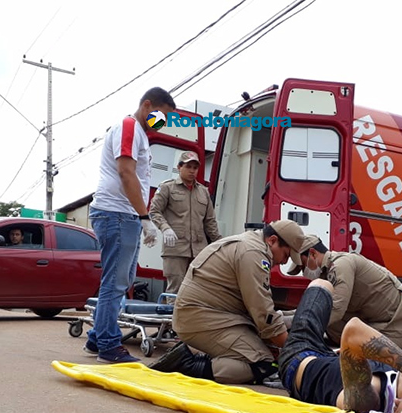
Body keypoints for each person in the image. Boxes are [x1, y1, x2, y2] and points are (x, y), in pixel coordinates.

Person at [150, 221, 306, 385]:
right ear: (272, 241)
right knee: (263, 363)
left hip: (205, 315)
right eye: (286, 255)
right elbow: (263, 314)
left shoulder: (250, 243)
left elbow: (260, 309)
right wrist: (295, 352)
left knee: (265, 350)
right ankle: (187, 365)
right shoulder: (253, 253)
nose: (283, 261)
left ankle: (198, 355)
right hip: (202, 319)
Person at [84, 87, 175, 364]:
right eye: (161, 116)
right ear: (147, 105)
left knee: (117, 279)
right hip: (117, 214)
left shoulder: (139, 134)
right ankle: (109, 346)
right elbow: (126, 172)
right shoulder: (129, 127)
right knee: (116, 281)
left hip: (121, 214)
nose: (164, 122)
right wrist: (144, 216)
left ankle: (97, 338)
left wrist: (139, 216)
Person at [276, 279, 402, 413]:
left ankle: (280, 321)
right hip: (333, 355)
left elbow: (354, 331)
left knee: (322, 285)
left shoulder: (368, 402)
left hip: (300, 358)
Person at [292, 234, 402, 350]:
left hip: (398, 327)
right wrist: (284, 317)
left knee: (350, 354)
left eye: (303, 265)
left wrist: (297, 325)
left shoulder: (341, 264)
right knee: (327, 318)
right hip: (377, 323)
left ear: (313, 253)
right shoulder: (326, 274)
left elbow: (336, 310)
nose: (304, 272)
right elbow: (314, 308)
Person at [148, 150, 221, 294]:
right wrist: (165, 227)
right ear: (179, 167)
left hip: (199, 250)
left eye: (195, 167)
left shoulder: (203, 192)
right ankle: (171, 317)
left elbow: (210, 222)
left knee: (197, 292)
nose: (192, 171)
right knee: (175, 292)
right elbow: (154, 211)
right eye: (188, 167)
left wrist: (220, 244)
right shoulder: (167, 187)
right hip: (176, 249)